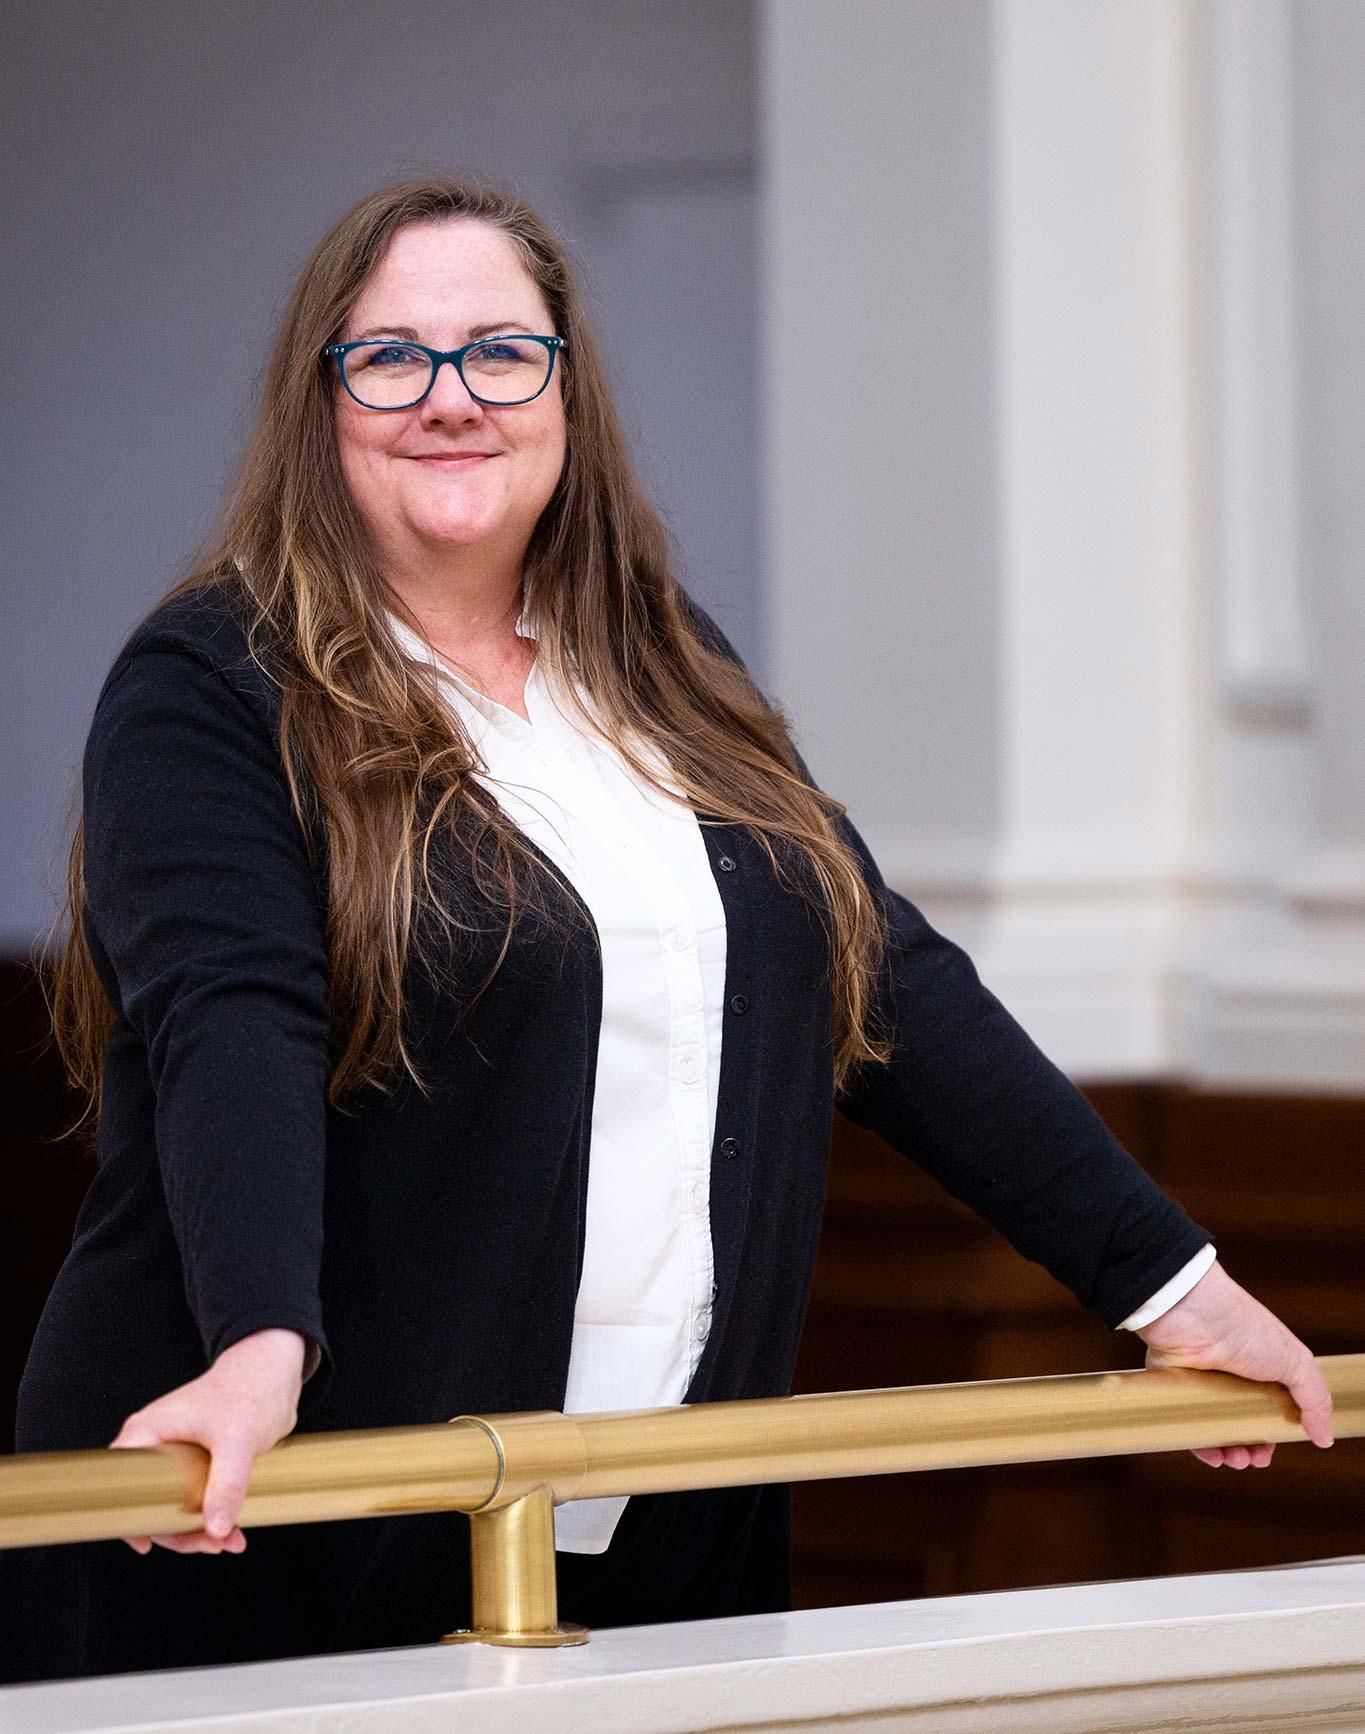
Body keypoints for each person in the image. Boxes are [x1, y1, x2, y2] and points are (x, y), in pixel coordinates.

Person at [6, 174, 1333, 1686]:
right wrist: (257, 1351)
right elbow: (236, 1016)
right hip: (282, 1498)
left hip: (646, 1513)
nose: (450, 397)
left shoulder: (658, 660)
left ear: (568, 393)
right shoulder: (213, 680)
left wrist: (1175, 1285)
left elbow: (879, 974)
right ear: (319, 403)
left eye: (500, 351)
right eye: (390, 356)